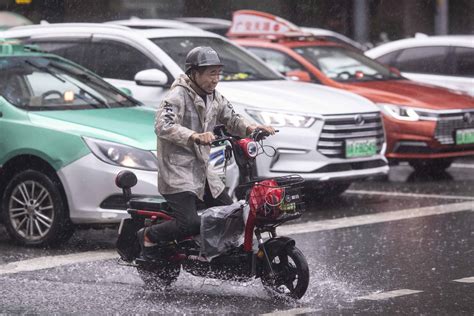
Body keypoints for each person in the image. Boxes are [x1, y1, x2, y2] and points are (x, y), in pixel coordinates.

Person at [138, 46, 275, 260]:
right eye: (211, 73)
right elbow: (162, 125)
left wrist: (253, 128)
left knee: (231, 214)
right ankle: (149, 235)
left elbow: (232, 119)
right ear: (194, 73)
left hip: (203, 171)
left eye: (218, 73)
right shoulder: (177, 95)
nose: (216, 79)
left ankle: (212, 253)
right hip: (177, 171)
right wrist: (194, 135)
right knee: (189, 223)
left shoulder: (215, 97)